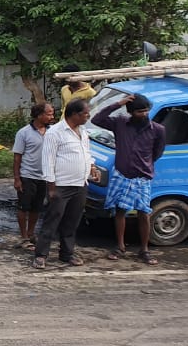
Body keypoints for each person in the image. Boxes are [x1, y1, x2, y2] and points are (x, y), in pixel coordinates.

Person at [92, 93, 166, 265]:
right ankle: (120, 246)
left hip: (142, 177)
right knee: (119, 211)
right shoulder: (119, 123)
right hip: (122, 174)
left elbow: (157, 153)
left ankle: (144, 250)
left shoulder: (157, 130)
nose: (144, 114)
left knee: (144, 213)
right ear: (130, 112)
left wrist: (144, 164)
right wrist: (118, 103)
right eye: (140, 111)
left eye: (146, 110)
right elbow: (97, 119)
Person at [34, 98, 93, 269]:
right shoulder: (56, 132)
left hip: (80, 184)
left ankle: (66, 254)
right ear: (74, 114)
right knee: (52, 220)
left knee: (72, 221)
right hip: (61, 185)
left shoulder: (83, 131)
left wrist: (92, 166)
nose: (88, 116)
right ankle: (41, 255)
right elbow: (48, 160)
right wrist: (51, 187)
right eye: (85, 113)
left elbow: (86, 152)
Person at [12, 102, 54, 248]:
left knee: (37, 207)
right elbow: (17, 157)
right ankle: (23, 236)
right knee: (24, 206)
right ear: (39, 115)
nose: (51, 116)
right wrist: (17, 178)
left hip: (44, 176)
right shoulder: (23, 133)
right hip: (27, 175)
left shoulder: (53, 132)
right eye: (49, 114)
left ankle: (31, 234)